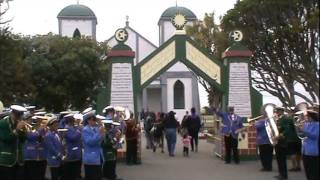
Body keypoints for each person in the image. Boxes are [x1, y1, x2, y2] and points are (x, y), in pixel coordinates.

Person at [0, 105, 27, 180]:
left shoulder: (19, 123)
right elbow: (6, 139)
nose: (19, 117)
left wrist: (23, 131)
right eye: (18, 114)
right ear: (12, 113)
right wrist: (17, 130)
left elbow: (23, 140)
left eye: (21, 115)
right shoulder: (3, 123)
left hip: (19, 160)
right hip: (7, 160)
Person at [82, 109, 104, 180]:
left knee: (98, 176)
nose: (95, 121)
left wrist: (102, 134)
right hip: (90, 158)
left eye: (95, 119)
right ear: (88, 121)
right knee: (92, 177)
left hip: (98, 157)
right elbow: (90, 142)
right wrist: (99, 133)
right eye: (93, 119)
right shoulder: (85, 130)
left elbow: (100, 141)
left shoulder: (96, 128)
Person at [23, 116, 47, 180]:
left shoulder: (31, 128)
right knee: (29, 175)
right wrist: (40, 129)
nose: (31, 122)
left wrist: (43, 131)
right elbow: (31, 136)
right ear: (25, 120)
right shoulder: (24, 128)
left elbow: (40, 138)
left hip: (35, 155)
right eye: (29, 120)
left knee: (36, 174)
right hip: (28, 155)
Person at [301, 109, 319, 180]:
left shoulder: (318, 125)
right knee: (308, 170)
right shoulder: (306, 124)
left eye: (306, 116)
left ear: (311, 117)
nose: (305, 118)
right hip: (305, 150)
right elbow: (302, 136)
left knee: (314, 172)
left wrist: (304, 131)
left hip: (313, 151)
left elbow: (315, 136)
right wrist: (299, 129)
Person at [63, 114, 82, 180]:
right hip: (70, 153)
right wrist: (78, 132)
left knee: (75, 172)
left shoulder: (74, 127)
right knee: (70, 172)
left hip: (76, 153)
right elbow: (72, 138)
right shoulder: (67, 128)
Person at [274, 107, 291, 180]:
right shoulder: (278, 119)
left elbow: (287, 129)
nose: (276, 112)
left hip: (282, 141)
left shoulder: (285, 118)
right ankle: (280, 174)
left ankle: (284, 175)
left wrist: (281, 135)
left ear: (281, 111)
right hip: (278, 141)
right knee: (279, 159)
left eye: (278, 111)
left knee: (282, 159)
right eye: (276, 111)